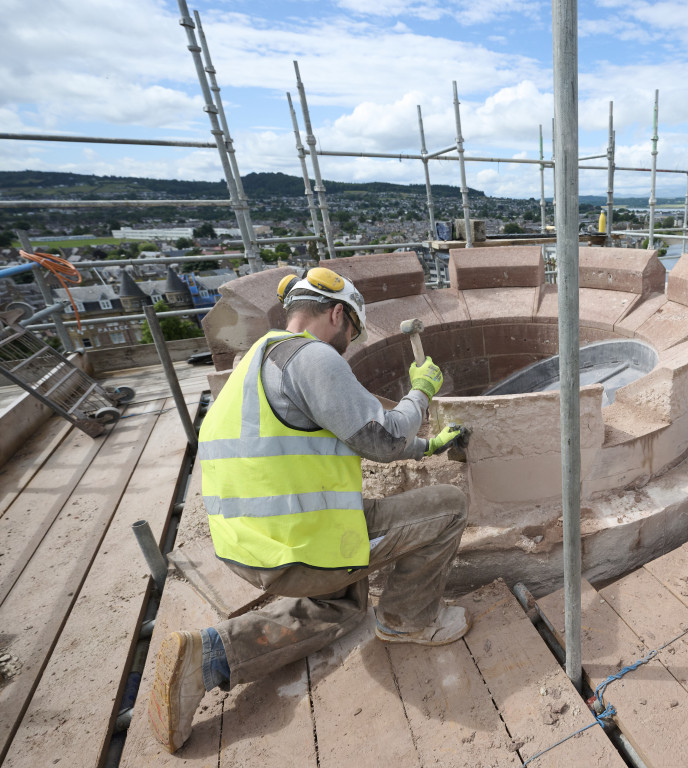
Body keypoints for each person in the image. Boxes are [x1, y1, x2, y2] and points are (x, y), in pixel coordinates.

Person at [148, 267, 468, 753]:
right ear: (337, 314)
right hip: (302, 548)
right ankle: (408, 620)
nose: (349, 343)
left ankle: (210, 654)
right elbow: (380, 438)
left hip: (249, 548)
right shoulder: (313, 356)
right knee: (448, 507)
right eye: (352, 333)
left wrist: (425, 447)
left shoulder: (255, 361)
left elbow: (345, 438)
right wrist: (419, 392)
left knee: (343, 604)